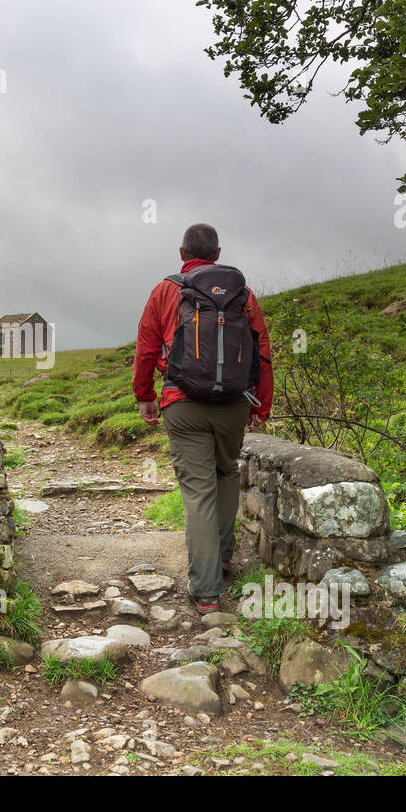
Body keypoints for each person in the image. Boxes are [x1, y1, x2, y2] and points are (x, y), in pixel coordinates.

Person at [133, 223, 273, 615]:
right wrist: (262, 404)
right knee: (226, 472)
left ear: (182, 252)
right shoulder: (243, 295)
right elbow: (262, 352)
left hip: (183, 402)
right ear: (217, 252)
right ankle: (223, 559)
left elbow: (146, 348)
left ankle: (207, 592)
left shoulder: (165, 291)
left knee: (197, 491)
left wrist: (144, 395)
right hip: (234, 403)